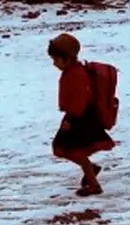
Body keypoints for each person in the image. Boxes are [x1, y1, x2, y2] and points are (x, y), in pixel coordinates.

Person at [48, 33, 115, 197]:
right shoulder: (72, 71)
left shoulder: (77, 74)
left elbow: (80, 99)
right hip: (76, 116)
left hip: (80, 118)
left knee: (72, 150)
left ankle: (93, 184)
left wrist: (71, 119)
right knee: (64, 149)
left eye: (56, 59)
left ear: (67, 58)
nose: (54, 63)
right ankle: (91, 170)